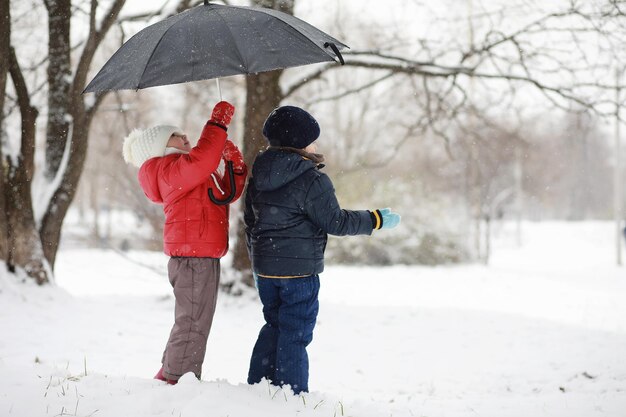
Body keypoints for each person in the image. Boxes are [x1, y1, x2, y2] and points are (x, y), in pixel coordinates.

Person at [244, 105, 400, 394]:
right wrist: (375, 219)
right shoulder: (311, 179)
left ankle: (258, 388)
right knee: (295, 332)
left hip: (266, 269)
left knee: (273, 326)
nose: (315, 145)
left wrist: (256, 261)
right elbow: (336, 222)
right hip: (299, 272)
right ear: (300, 142)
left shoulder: (258, 176)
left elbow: (250, 223)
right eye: (312, 139)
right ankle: (290, 397)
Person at [122, 101, 247, 384]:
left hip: (202, 254)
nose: (185, 137)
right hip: (193, 257)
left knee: (195, 320)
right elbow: (202, 160)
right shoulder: (168, 170)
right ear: (161, 147)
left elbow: (227, 192)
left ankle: (170, 370)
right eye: (176, 135)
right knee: (193, 322)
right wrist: (217, 123)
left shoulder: (186, 171)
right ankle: (177, 379)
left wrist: (233, 161)